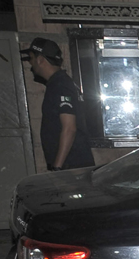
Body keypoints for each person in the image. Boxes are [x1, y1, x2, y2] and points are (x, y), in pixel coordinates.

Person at [20, 37, 95, 171]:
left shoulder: (60, 85)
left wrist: (57, 167)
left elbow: (69, 128)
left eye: (31, 58)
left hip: (70, 167)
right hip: (70, 166)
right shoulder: (59, 83)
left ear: (40, 59)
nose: (31, 64)